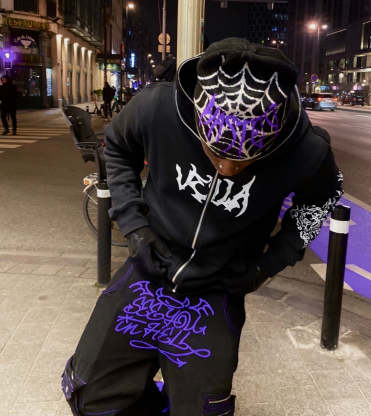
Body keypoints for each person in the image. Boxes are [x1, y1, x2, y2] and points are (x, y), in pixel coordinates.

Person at [62, 38, 343, 416]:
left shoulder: (306, 148)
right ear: (198, 118)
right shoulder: (158, 107)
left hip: (217, 289)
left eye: (242, 163)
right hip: (147, 270)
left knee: (202, 410)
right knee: (88, 392)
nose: (226, 170)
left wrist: (268, 264)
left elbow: (322, 198)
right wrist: (133, 224)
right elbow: (117, 146)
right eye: (216, 153)